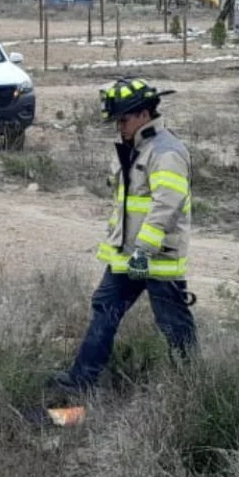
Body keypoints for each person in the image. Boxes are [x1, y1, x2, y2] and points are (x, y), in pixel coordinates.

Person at [50, 77, 197, 394]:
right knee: (105, 308)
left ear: (144, 114)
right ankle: (81, 381)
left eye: (124, 119)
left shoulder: (166, 151)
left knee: (173, 325)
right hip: (127, 256)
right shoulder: (136, 149)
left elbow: (166, 205)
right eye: (117, 120)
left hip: (156, 257)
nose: (120, 126)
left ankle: (193, 386)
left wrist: (144, 250)